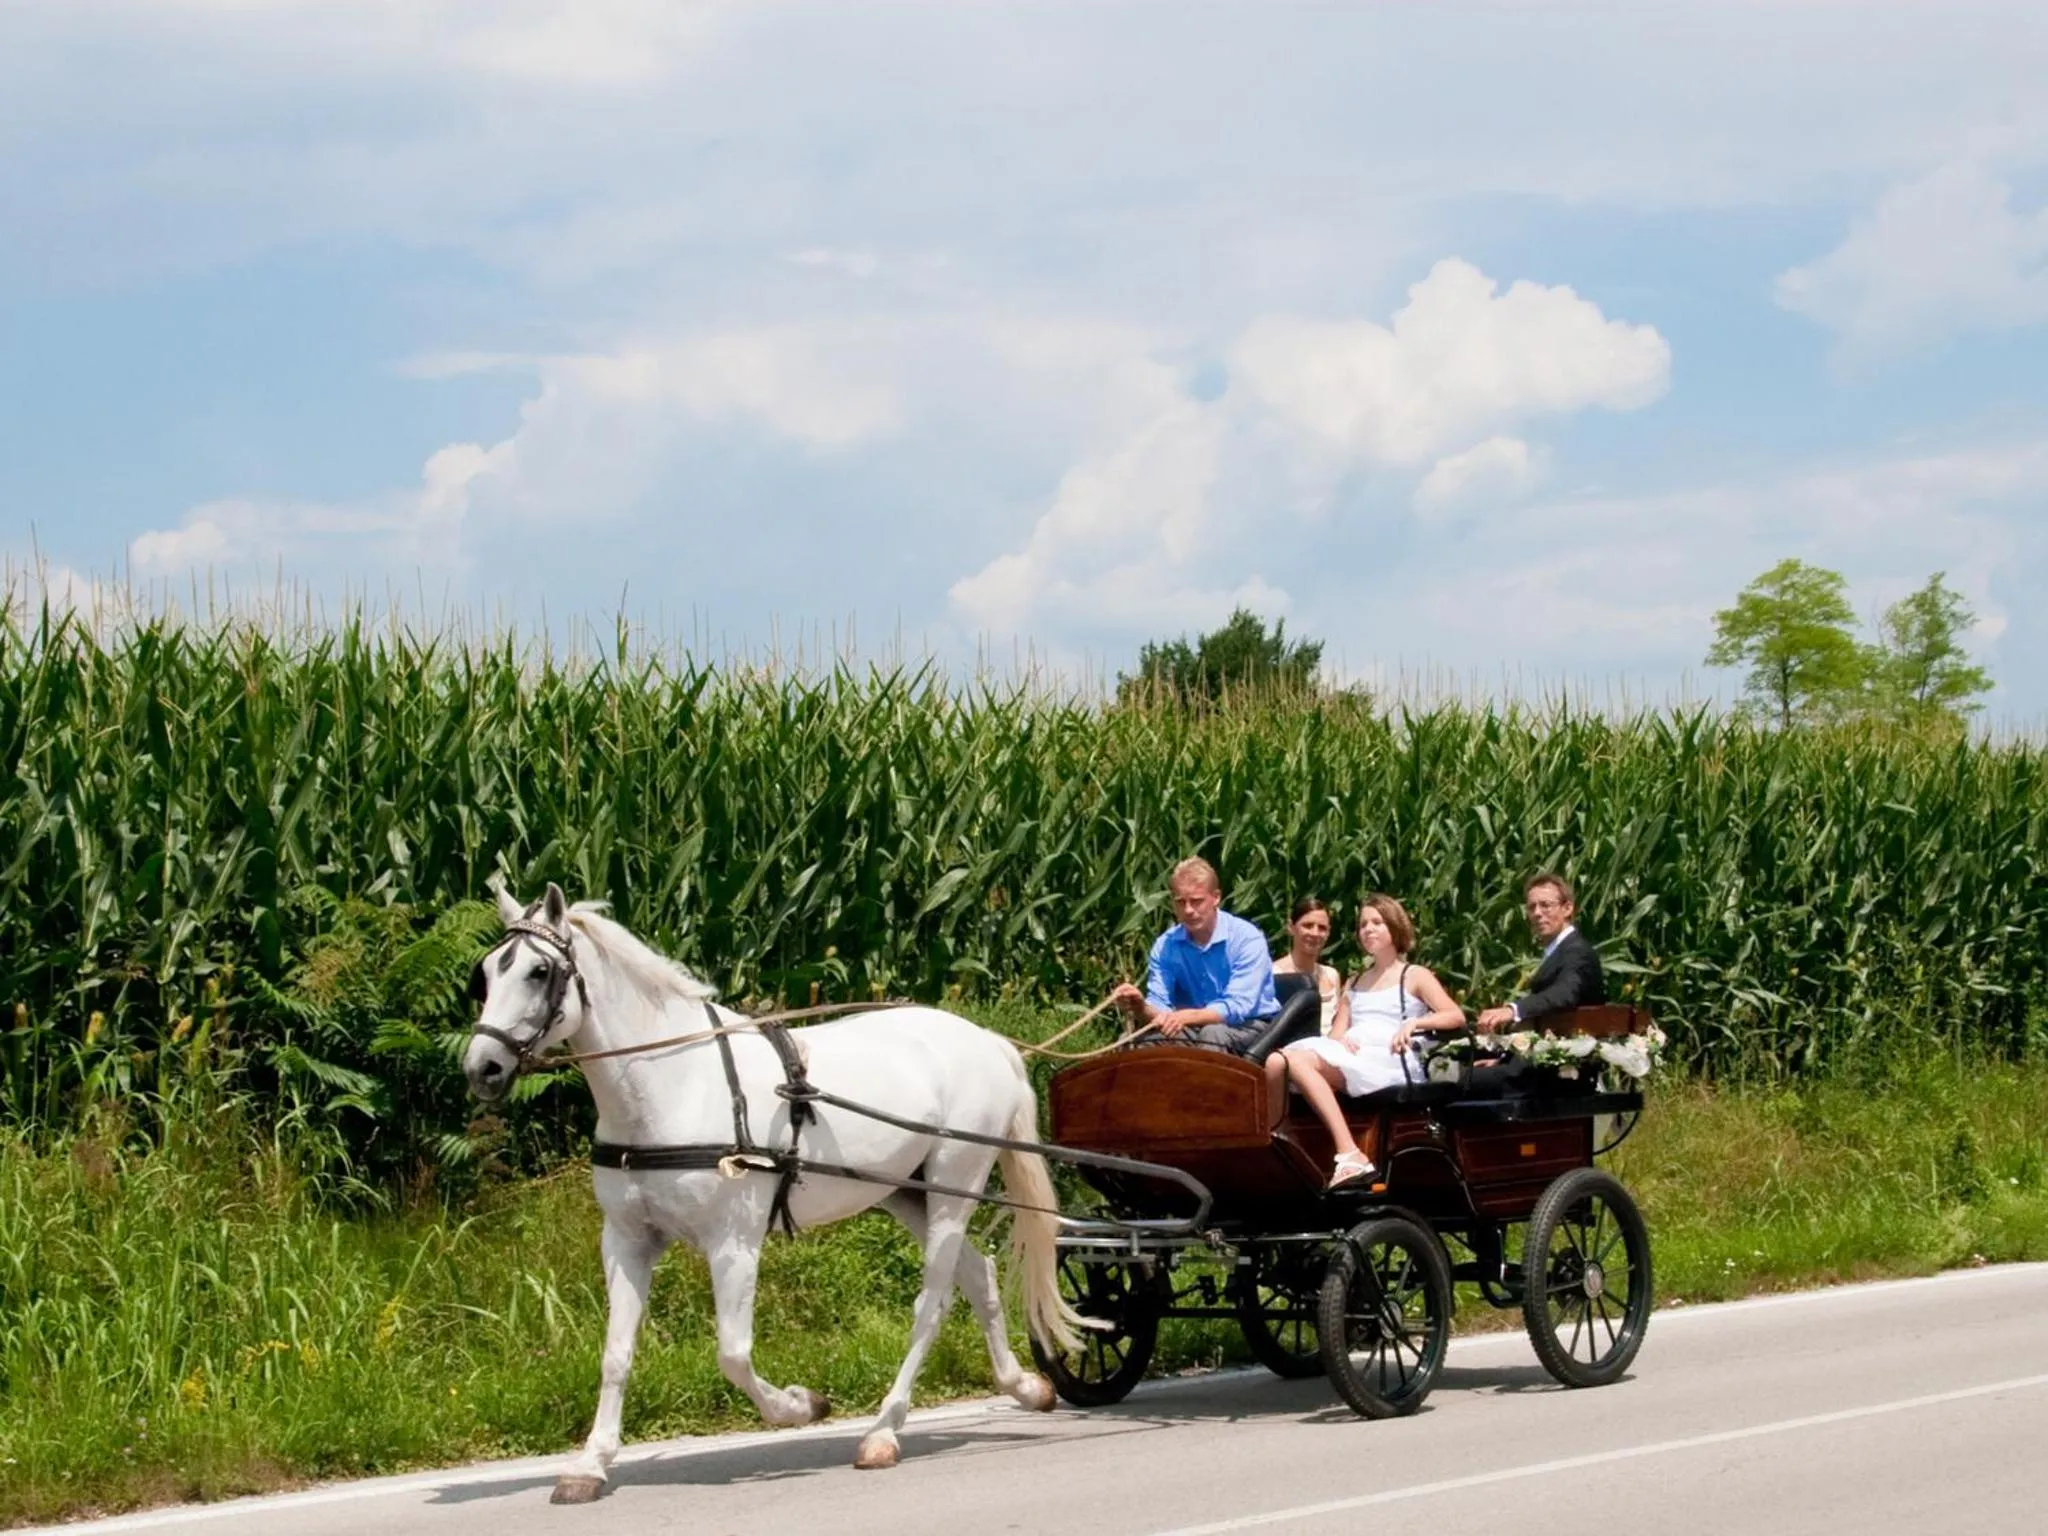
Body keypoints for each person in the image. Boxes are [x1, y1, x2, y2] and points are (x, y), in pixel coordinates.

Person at [1264, 894, 1466, 1188]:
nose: (1368, 929)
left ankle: (1349, 1152)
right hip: (1356, 1056)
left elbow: (1454, 1015)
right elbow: (1336, 1033)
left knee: (1295, 1061)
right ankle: (1280, 1143)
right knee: (1275, 1061)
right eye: (1363, 925)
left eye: (1376, 922)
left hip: (1389, 1058)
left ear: (1394, 927)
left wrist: (1416, 1023)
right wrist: (1341, 1041)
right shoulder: (1355, 981)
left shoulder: (1413, 975)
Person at [1110, 857, 1282, 1054]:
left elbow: (1237, 1006)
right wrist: (1141, 1007)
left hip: (1251, 1026)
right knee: (1134, 1041)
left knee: (1213, 1034)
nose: (1188, 910)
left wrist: (1184, 1017)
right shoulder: (1166, 945)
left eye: (1196, 901)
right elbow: (1160, 1006)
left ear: (1216, 897)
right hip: (1194, 1026)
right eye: (1180, 902)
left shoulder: (1247, 938)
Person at [1475, 873, 1606, 1030]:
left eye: (1545, 905)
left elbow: (1564, 994)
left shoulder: (1577, 951)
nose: (1537, 913)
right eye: (1532, 907)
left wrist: (1514, 1010)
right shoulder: (1557, 950)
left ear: (1567, 908)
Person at [1271, 896, 1340, 1034]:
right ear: (1291, 927)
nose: (1315, 933)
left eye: (1322, 928)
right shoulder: (1274, 973)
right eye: (1307, 926)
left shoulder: (1331, 975)